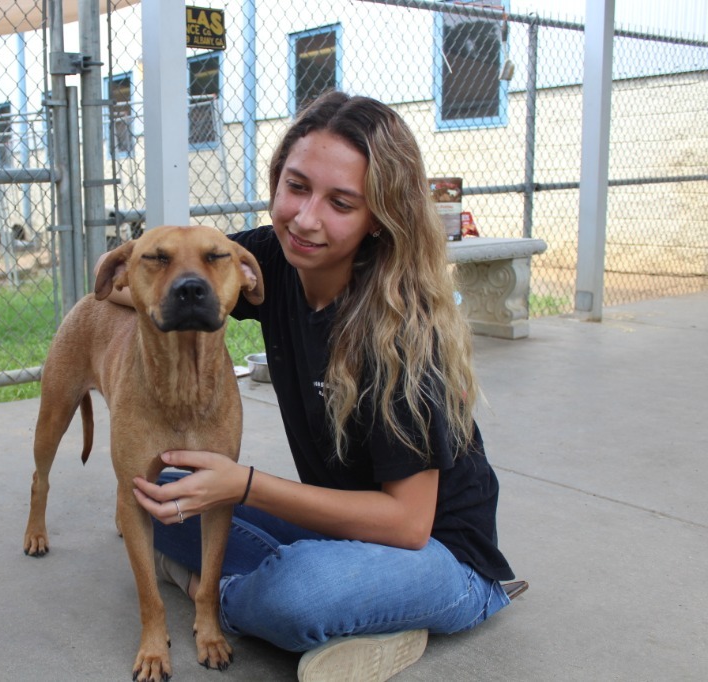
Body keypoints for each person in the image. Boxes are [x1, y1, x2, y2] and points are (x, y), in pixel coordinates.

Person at [112, 90, 523, 682]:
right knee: (165, 498)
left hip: (436, 554)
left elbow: (406, 524)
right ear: (277, 180)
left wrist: (246, 485)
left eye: (341, 202)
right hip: (340, 525)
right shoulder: (273, 260)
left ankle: (236, 595)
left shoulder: (400, 332)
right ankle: (340, 606)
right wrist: (138, 285)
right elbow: (170, 278)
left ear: (379, 217)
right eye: (297, 186)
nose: (306, 218)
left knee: (299, 592)